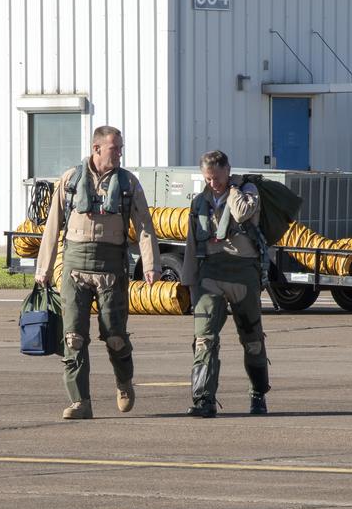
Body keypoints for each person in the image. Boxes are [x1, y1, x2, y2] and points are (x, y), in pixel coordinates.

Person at [36, 125, 160, 420]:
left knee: (115, 336)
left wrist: (151, 266)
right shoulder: (70, 180)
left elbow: (144, 227)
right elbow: (53, 226)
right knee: (73, 337)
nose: (119, 153)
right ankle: (80, 401)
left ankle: (124, 382)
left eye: (120, 148)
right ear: (96, 149)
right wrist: (43, 269)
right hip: (74, 268)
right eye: (114, 148)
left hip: (111, 270)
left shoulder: (129, 184)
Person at [181, 150, 271, 418]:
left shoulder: (246, 191)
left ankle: (258, 393)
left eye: (217, 177)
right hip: (210, 274)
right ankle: (203, 400)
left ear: (228, 171)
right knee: (204, 339)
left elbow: (243, 214)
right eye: (208, 179)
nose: (213, 184)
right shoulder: (200, 202)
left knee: (252, 340)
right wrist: (187, 281)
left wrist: (231, 188)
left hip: (243, 273)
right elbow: (191, 243)